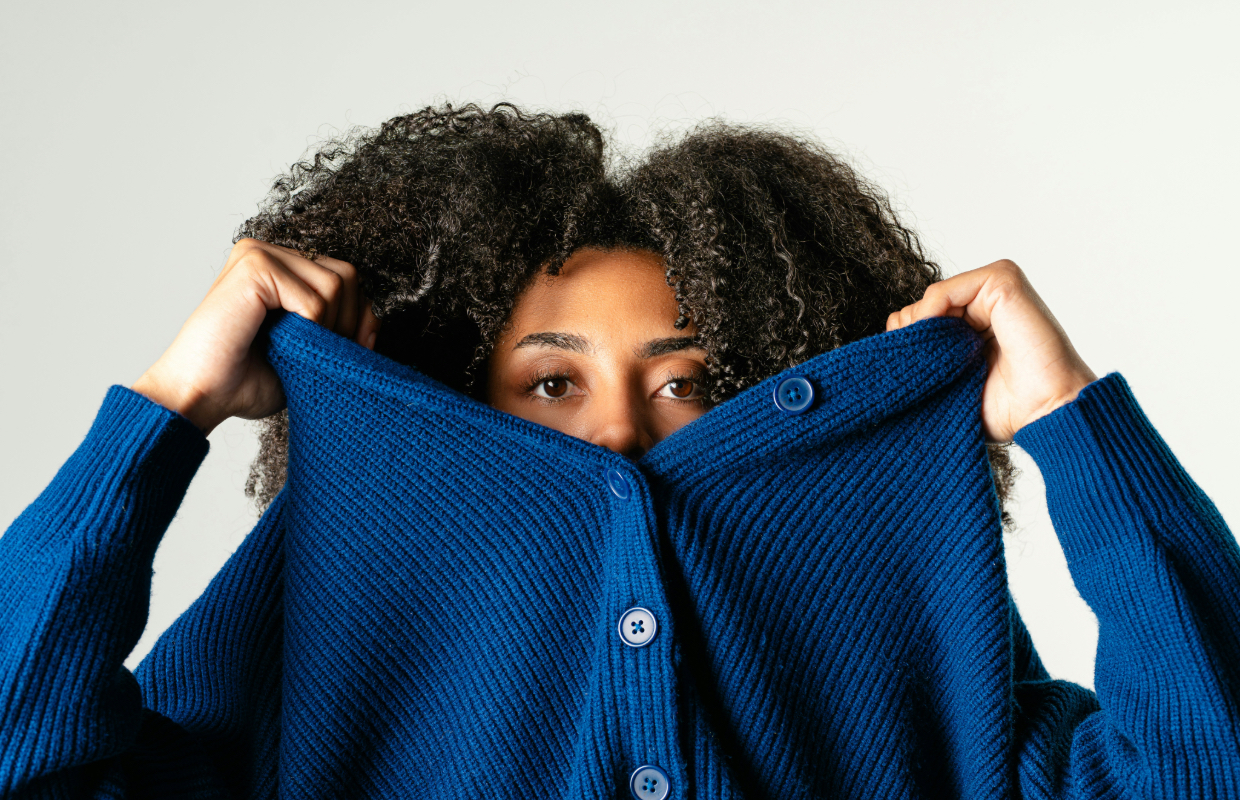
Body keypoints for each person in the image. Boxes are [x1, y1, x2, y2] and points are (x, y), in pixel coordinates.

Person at [1, 102, 1236, 799]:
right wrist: (163, 412)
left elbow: (1204, 766)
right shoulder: (335, 604)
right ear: (455, 395)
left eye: (689, 383)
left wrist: (1073, 418)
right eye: (550, 381)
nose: (615, 435)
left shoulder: (885, 620)